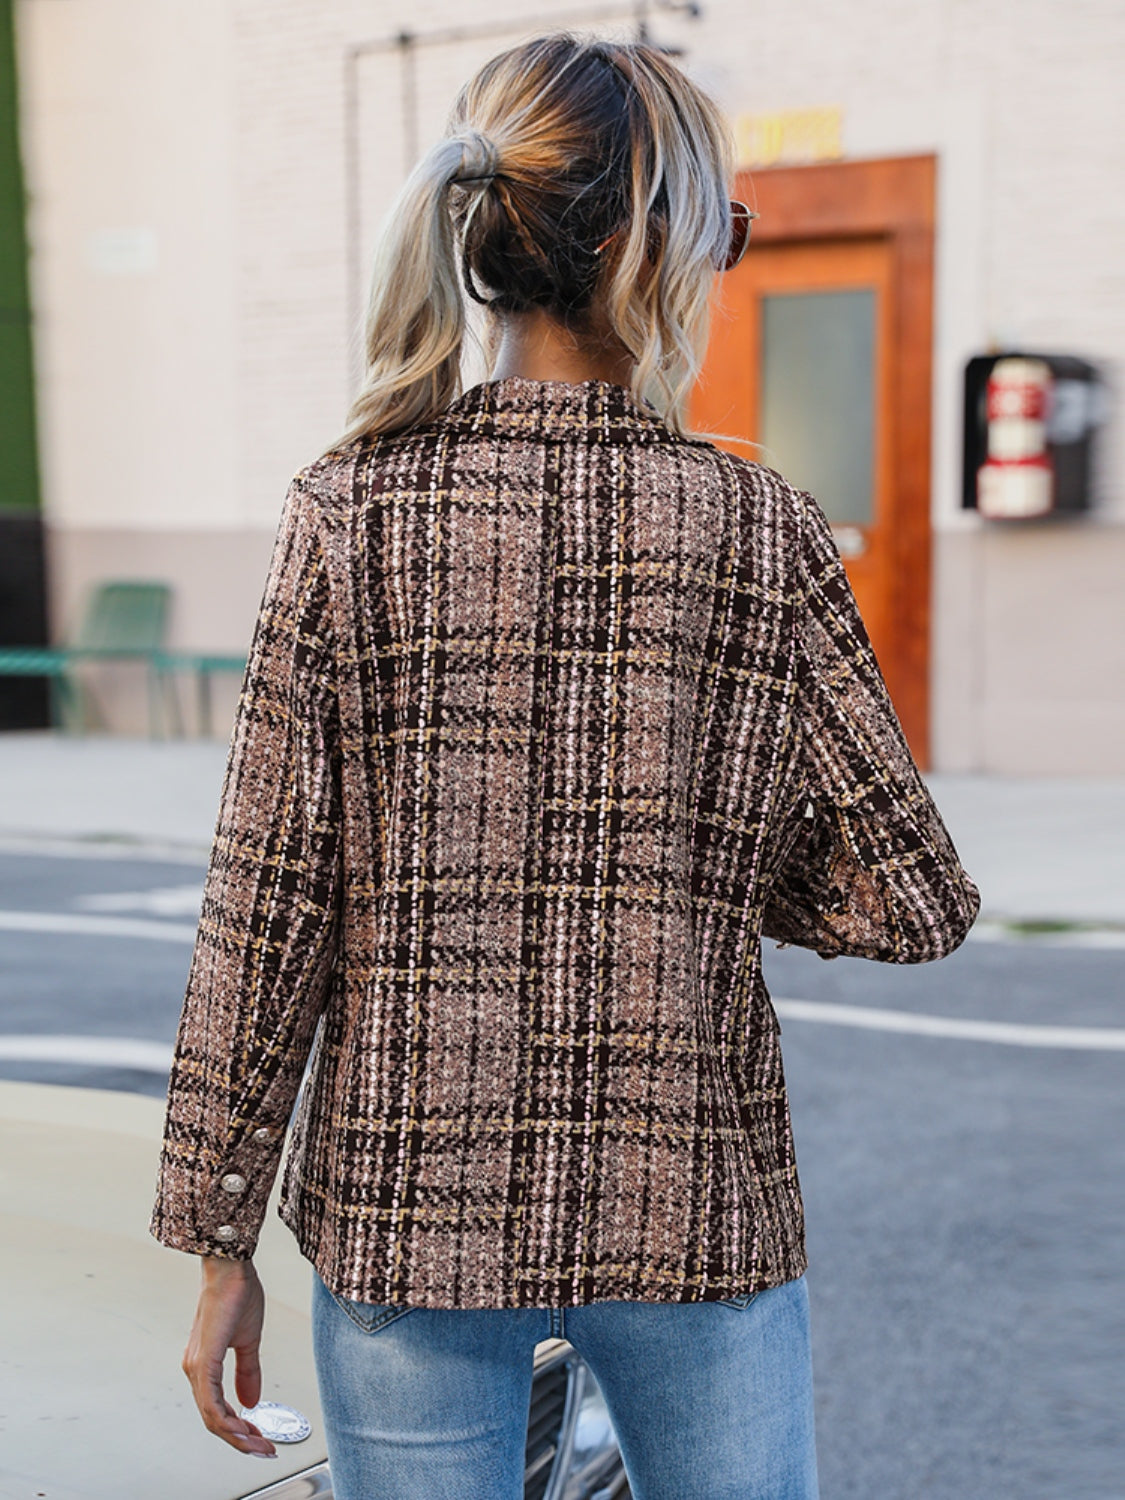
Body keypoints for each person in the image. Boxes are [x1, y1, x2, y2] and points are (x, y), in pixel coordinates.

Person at [151, 32, 979, 1500]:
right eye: (726, 231)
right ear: (652, 247)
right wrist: (697, 854)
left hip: (412, 1210)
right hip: (692, 1207)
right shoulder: (753, 524)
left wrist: (220, 1240)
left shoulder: (348, 517)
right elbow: (913, 897)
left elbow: (264, 915)